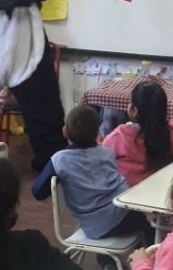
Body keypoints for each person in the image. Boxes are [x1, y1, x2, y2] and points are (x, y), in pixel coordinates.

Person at [32, 103, 151, 242]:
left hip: (95, 225)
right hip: (120, 212)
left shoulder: (60, 160)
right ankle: (149, 259)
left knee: (147, 219)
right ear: (97, 133)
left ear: (64, 131)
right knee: (153, 223)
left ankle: (109, 260)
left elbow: (38, 192)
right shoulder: (107, 152)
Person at [102, 80, 173, 187]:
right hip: (155, 193)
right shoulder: (169, 136)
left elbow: (101, 160)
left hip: (124, 195)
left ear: (133, 110)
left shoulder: (117, 137)